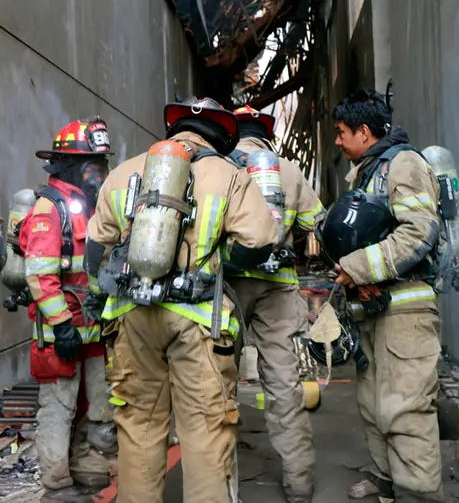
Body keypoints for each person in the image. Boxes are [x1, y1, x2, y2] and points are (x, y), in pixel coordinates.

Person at [85, 97, 277, 503]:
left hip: (130, 316)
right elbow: (260, 239)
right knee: (206, 433)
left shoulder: (122, 173)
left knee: (137, 429)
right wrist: (222, 261)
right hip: (199, 320)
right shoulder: (229, 175)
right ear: (220, 136)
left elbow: (95, 250)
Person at [329, 89, 447, 503]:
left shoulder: (405, 165)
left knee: (407, 408)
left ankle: (418, 493)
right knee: (373, 402)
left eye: (343, 132)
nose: (338, 141)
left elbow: (418, 232)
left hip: (406, 310)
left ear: (364, 131)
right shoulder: (367, 170)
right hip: (373, 307)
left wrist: (357, 266)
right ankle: (386, 478)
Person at [226, 105, 325, 502]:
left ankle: (219, 486)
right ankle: (300, 486)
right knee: (284, 384)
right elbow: (314, 224)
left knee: (218, 383)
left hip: (228, 287)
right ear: (266, 134)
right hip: (278, 286)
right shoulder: (287, 168)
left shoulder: (220, 166)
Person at [21, 117, 117, 502]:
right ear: (71, 166)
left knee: (99, 403)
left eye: (101, 166)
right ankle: (57, 485)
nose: (98, 175)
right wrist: (62, 325)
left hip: (92, 332)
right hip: (61, 332)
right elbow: (40, 275)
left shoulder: (92, 208)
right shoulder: (50, 208)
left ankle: (89, 468)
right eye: (93, 166)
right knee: (58, 409)